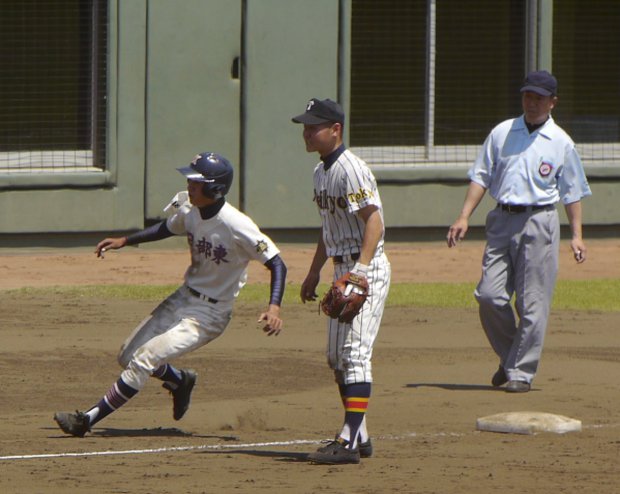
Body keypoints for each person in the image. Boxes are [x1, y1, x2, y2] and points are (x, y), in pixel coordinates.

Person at [54, 152, 287, 437]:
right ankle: (179, 380)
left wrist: (274, 307)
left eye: (196, 181)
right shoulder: (191, 210)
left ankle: (87, 419)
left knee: (145, 358)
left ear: (215, 189)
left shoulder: (237, 225)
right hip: (183, 298)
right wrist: (125, 240)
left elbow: (276, 262)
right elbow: (166, 228)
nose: (189, 185)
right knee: (128, 356)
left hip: (209, 315)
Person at [446, 70, 591, 393]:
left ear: (553, 102)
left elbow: (572, 192)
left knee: (532, 302)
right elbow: (481, 176)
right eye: (528, 95)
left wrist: (577, 235)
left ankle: (521, 373)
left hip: (539, 222)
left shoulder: (562, 143)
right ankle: (511, 358)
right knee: (488, 295)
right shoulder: (502, 132)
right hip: (501, 219)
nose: (532, 102)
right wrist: (464, 216)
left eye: (539, 97)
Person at [292, 98, 391, 464]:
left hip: (366, 269)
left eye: (313, 126)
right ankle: (361, 434)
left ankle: (347, 440)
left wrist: (360, 272)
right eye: (304, 126)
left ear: (336, 130)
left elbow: (374, 221)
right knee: (336, 357)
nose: (306, 131)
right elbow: (328, 227)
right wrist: (315, 270)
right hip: (341, 269)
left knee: (354, 355)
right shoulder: (321, 172)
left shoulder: (351, 169)